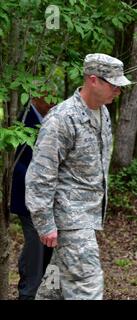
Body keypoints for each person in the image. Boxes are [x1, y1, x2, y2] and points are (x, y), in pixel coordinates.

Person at [25, 53, 131, 300]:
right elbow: (40, 175)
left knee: (54, 289)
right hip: (71, 220)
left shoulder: (102, 113)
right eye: (113, 84)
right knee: (87, 288)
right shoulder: (62, 119)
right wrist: (45, 223)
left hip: (87, 216)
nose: (118, 90)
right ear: (93, 80)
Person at [10, 96, 54, 300]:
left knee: (45, 247)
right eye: (49, 99)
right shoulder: (26, 120)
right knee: (35, 246)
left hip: (45, 198)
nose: (53, 103)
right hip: (29, 198)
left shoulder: (44, 118)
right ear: (37, 98)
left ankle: (41, 288)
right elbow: (21, 163)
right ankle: (28, 291)